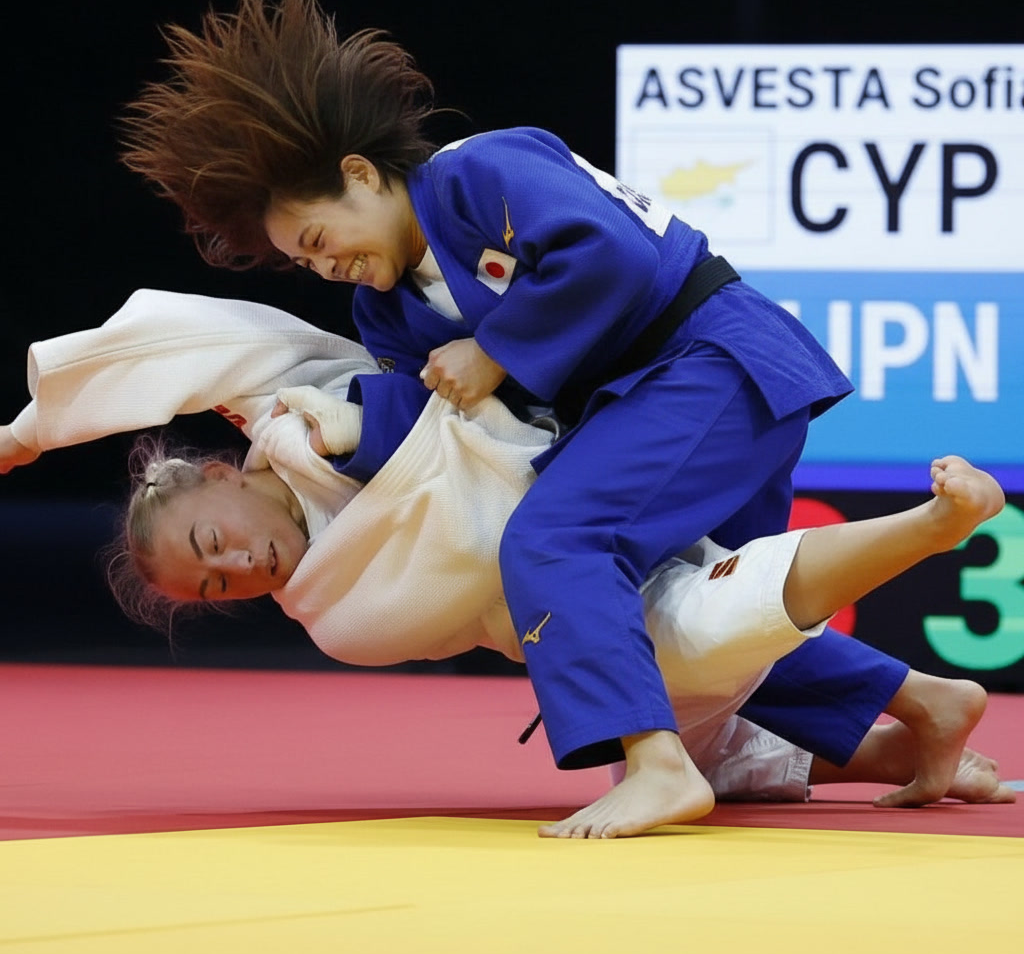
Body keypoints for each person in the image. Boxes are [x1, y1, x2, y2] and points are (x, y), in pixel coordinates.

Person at [116, 0, 995, 836]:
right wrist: (348, 430)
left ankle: (660, 769)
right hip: (644, 408)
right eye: (304, 264)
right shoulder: (383, 314)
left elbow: (610, 253)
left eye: (318, 239)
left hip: (714, 361)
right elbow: (441, 426)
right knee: (676, 616)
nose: (325, 266)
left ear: (360, 175)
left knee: (554, 540)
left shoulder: (475, 174)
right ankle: (925, 704)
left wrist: (495, 349)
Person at [1, 289, 1014, 835]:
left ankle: (929, 539)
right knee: (690, 673)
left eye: (208, 541)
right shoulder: (336, 616)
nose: (235, 565)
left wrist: (29, 430)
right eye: (217, 587)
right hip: (553, 598)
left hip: (577, 482)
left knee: (677, 648)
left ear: (220, 471)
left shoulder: (287, 406)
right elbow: (439, 578)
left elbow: (174, 339)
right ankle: (924, 710)